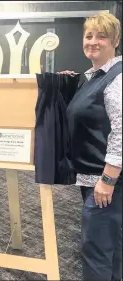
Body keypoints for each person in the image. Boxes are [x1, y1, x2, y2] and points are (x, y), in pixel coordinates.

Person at [61, 12, 122, 281]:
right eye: (89, 35)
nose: (93, 41)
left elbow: (121, 131)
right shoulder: (92, 76)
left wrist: (108, 179)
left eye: (102, 36)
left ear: (115, 40)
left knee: (95, 248)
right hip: (91, 177)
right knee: (110, 243)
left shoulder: (117, 78)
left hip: (106, 180)